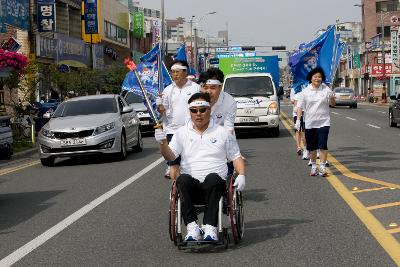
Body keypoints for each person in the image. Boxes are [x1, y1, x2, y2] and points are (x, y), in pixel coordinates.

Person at [155, 92, 246, 242]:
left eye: (202, 110)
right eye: (194, 110)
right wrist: (163, 143)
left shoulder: (222, 132)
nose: (198, 114)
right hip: (191, 184)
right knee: (182, 179)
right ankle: (192, 228)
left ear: (209, 110)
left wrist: (241, 174)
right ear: (189, 112)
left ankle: (210, 227)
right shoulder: (181, 133)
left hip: (216, 185)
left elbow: (236, 157)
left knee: (213, 178)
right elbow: (170, 157)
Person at [156, 60, 200, 179]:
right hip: (172, 130)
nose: (174, 74)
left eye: (177, 72)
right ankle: (176, 192)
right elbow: (162, 111)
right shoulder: (167, 90)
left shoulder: (196, 88)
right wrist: (159, 105)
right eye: (173, 72)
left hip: (192, 130)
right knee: (174, 163)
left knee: (190, 161)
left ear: (185, 72)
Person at [296, 67, 335, 177]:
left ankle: (322, 166)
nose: (317, 78)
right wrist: (298, 121)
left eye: (319, 77)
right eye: (315, 77)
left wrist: (332, 97)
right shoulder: (305, 92)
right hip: (310, 122)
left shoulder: (326, 89)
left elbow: (332, 104)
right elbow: (300, 107)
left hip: (324, 121)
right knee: (312, 147)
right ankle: (314, 166)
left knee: (323, 145)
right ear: (311, 78)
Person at [201, 68, 236, 134]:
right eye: (206, 88)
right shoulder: (194, 101)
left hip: (222, 138)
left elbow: (228, 127)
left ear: (220, 87)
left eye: (212, 88)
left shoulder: (229, 101)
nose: (208, 91)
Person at [290, 87, 308, 160]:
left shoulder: (307, 86)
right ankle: (298, 147)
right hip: (296, 113)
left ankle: (306, 148)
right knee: (298, 130)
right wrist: (297, 101)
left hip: (306, 112)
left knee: (304, 131)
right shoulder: (293, 89)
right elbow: (292, 101)